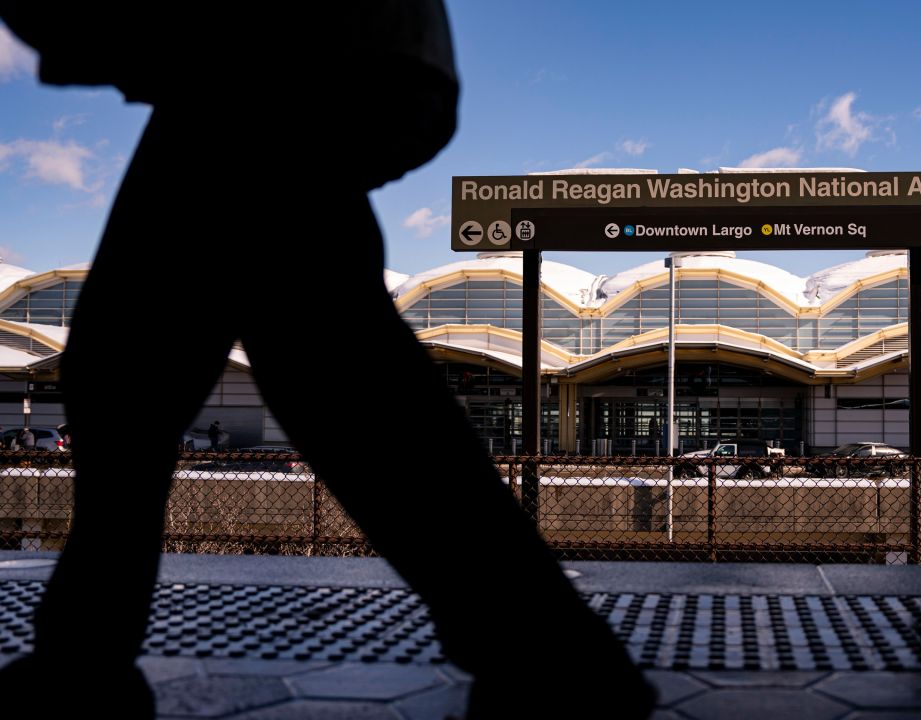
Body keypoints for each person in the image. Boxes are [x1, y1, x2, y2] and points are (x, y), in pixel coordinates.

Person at [0, 3, 655, 718]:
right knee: (272, 346)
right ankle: (543, 644)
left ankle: (545, 647)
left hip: (273, 50)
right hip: (308, 50)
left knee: (206, 352)